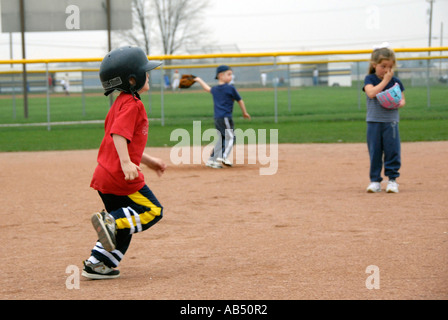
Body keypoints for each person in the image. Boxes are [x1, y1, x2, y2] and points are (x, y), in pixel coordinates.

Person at [82, 46, 166, 280]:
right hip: (121, 176)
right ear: (132, 79)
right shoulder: (133, 104)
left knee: (124, 225)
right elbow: (119, 134)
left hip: (105, 175)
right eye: (145, 72)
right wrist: (128, 163)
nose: (148, 75)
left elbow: (122, 139)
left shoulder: (120, 102)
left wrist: (147, 161)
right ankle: (110, 222)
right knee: (152, 210)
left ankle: (98, 264)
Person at [363, 44, 406, 193]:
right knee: (375, 151)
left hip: (391, 122)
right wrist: (385, 81)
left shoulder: (396, 81)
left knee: (392, 150)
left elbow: (402, 100)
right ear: (374, 65)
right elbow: (371, 93)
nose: (387, 70)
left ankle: (392, 180)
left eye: (390, 66)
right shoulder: (370, 79)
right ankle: (375, 181)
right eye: (383, 66)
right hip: (374, 121)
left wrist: (398, 102)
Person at [194, 65, 251, 168]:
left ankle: (211, 160)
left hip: (217, 118)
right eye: (229, 74)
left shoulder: (215, 89)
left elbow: (207, 89)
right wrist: (245, 112)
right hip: (225, 118)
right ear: (220, 75)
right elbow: (240, 100)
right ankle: (223, 156)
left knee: (222, 139)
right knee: (231, 137)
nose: (231, 77)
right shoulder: (230, 88)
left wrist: (198, 80)